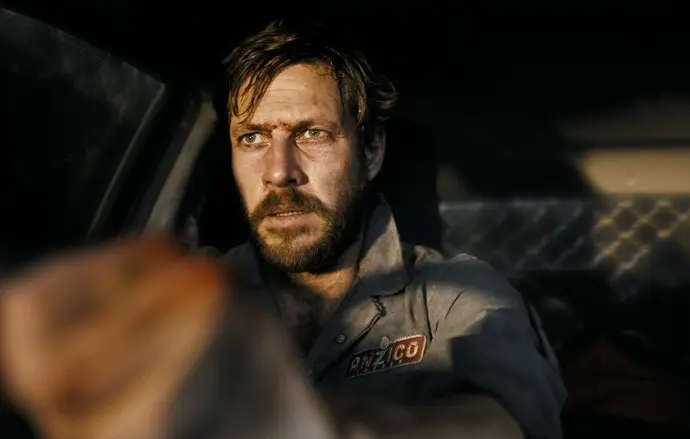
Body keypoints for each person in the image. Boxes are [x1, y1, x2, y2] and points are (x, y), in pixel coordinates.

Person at [0, 20, 566, 439]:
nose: (279, 171)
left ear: (371, 151)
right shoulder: (188, 297)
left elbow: (500, 422)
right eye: (252, 138)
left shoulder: (456, 295)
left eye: (312, 133)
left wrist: (324, 427)